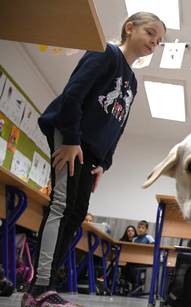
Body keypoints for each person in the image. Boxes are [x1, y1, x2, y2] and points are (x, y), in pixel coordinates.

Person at [23, 12, 166, 307]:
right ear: (130, 28)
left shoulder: (132, 82)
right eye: (151, 33)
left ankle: (47, 289)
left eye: (160, 40)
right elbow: (73, 96)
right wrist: (72, 140)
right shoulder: (106, 53)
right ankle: (37, 289)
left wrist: (105, 162)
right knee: (62, 207)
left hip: (91, 154)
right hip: (71, 138)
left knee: (76, 214)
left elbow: (117, 125)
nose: (155, 41)